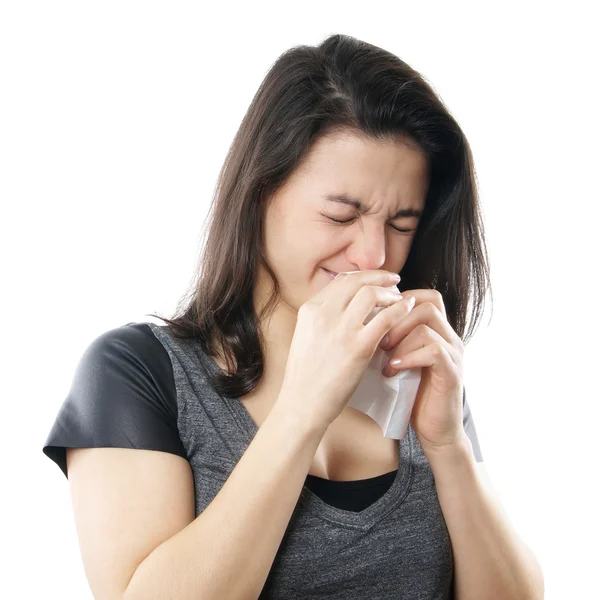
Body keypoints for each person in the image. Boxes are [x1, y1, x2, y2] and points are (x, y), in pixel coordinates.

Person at [42, 33, 518, 600]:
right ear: (259, 195)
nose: (375, 256)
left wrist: (447, 447)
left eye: (401, 224)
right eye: (342, 216)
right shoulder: (138, 372)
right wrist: (302, 409)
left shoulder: (414, 371)